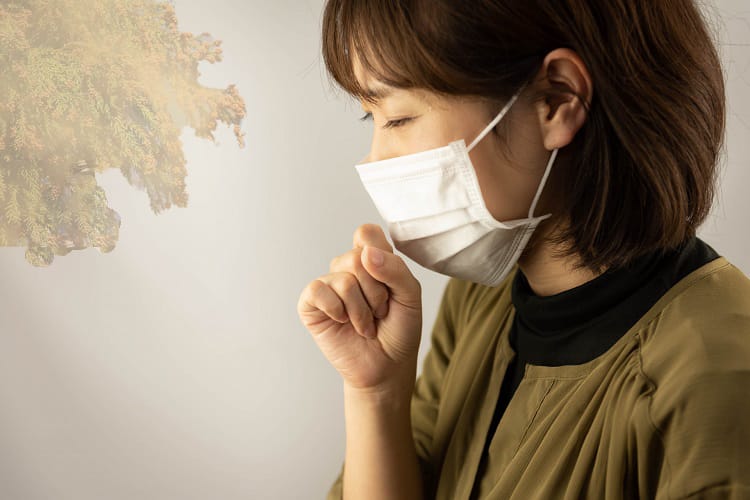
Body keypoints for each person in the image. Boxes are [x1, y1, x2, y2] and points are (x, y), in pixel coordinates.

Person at [296, 0, 750, 498]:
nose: (375, 158)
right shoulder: (479, 303)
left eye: (399, 117)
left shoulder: (714, 374)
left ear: (557, 99)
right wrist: (376, 392)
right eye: (370, 118)